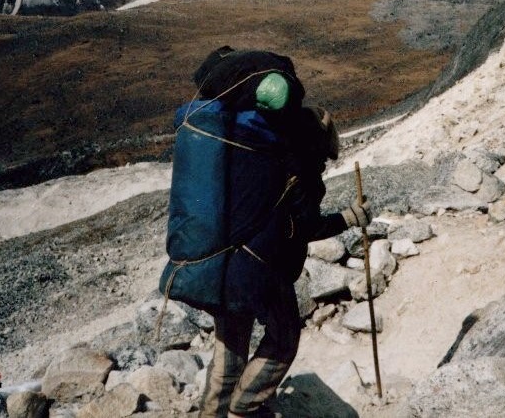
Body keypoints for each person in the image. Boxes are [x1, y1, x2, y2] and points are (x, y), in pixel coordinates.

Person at [159, 47, 371, 418]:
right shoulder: (299, 168)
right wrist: (350, 218)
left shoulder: (259, 155)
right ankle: (247, 406)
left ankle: (213, 414)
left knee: (231, 343)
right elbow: (306, 225)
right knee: (284, 336)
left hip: (220, 261)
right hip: (260, 270)